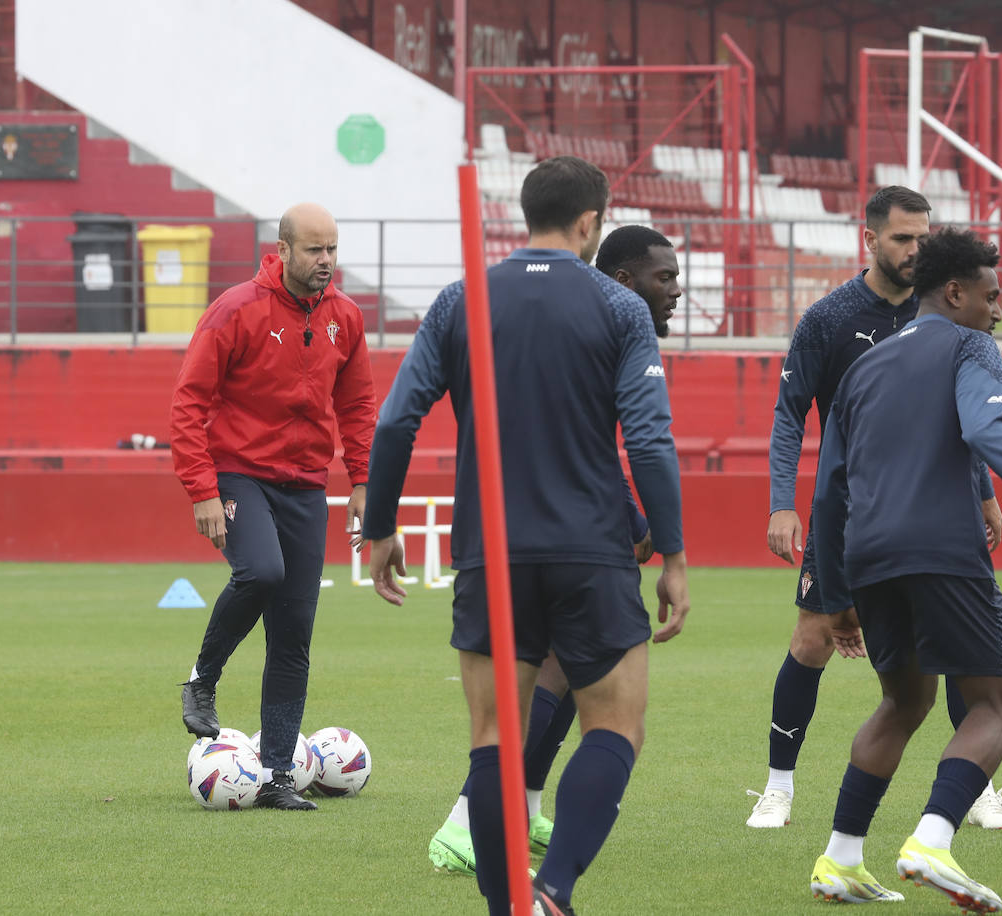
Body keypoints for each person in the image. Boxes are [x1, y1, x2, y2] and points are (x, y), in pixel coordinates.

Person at [364, 158, 690, 916]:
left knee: (492, 741)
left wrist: (379, 526)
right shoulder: (620, 308)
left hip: (489, 551)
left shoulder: (460, 301)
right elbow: (647, 442)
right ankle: (555, 890)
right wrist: (671, 552)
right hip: (593, 551)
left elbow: (394, 421)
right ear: (589, 223)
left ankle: (508, 907)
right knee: (616, 725)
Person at [748, 186, 1002, 831]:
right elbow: (790, 416)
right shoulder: (830, 318)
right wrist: (782, 503)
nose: (914, 249)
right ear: (869, 239)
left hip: (930, 508)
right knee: (813, 639)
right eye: (901, 238)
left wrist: (983, 493)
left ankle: (972, 789)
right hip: (850, 511)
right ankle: (777, 786)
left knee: (953, 645)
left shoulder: (948, 314)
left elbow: (959, 423)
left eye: (923, 237)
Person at [425, 223, 682, 876]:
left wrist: (630, 516)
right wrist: (649, 530)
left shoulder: (593, 318)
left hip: (530, 534)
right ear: (624, 278)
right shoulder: (609, 320)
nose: (675, 291)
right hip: (554, 536)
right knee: (580, 694)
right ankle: (470, 823)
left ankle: (526, 804)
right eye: (666, 278)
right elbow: (573, 439)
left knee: (564, 672)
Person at [808, 227, 1002, 909]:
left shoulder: (864, 368)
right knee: (997, 705)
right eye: (991, 297)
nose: (1000, 312)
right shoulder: (972, 346)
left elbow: (829, 486)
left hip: (868, 557)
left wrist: (832, 590)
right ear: (956, 292)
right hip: (941, 549)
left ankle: (840, 860)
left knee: (904, 701)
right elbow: (985, 430)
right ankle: (932, 839)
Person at [170, 202, 377, 811]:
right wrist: (203, 490)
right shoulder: (235, 310)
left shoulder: (346, 317)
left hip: (307, 484)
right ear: (282, 250)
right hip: (240, 474)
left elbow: (359, 406)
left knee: (295, 631)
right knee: (262, 572)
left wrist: (362, 482)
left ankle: (279, 775)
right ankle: (201, 682)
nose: (326, 262)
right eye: (314, 250)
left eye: (333, 250)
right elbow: (188, 402)